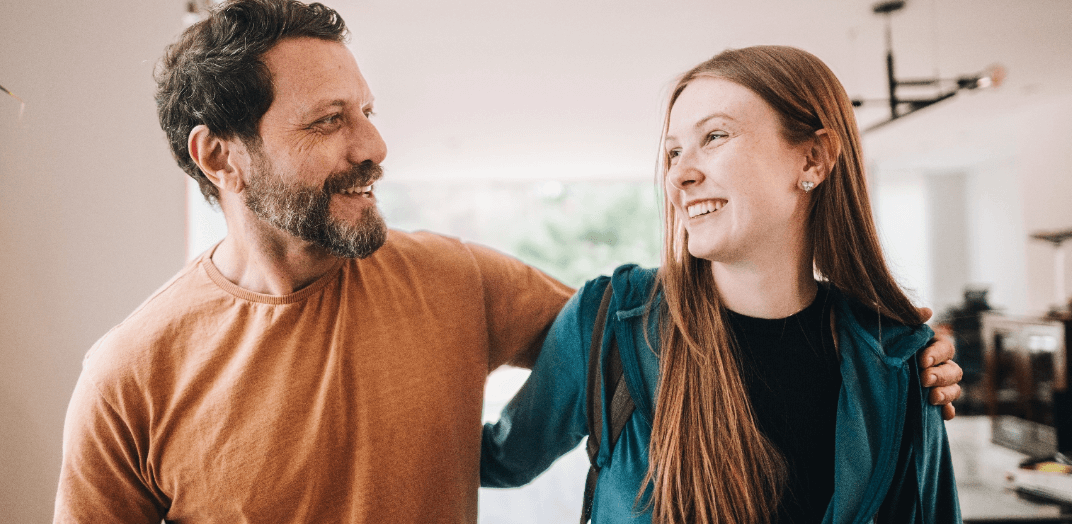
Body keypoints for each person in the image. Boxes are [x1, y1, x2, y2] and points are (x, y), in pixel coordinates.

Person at [53, 1, 961, 521]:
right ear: (220, 155)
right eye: (330, 121)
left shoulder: (461, 282)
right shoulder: (129, 374)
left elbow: (656, 339)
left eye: (367, 110)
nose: (374, 144)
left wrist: (906, 350)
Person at [481, 46, 961, 523]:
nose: (680, 175)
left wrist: (904, 348)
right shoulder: (608, 321)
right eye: (672, 152)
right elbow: (496, 459)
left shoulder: (896, 363)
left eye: (714, 136)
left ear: (813, 160)